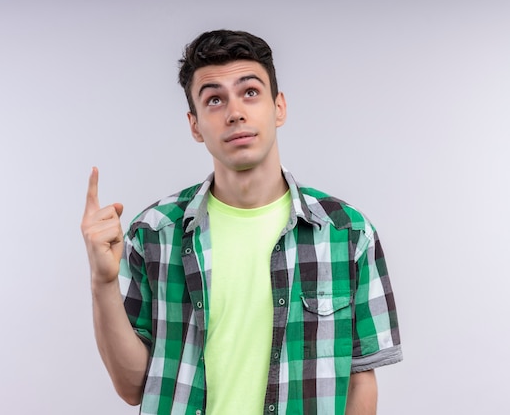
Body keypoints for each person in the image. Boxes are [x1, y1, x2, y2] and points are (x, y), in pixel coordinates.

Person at [81, 29, 402, 415]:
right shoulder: (153, 233)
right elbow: (132, 386)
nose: (235, 112)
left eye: (250, 92)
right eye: (214, 99)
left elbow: (360, 381)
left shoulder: (347, 233)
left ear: (278, 107)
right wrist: (102, 282)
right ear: (195, 125)